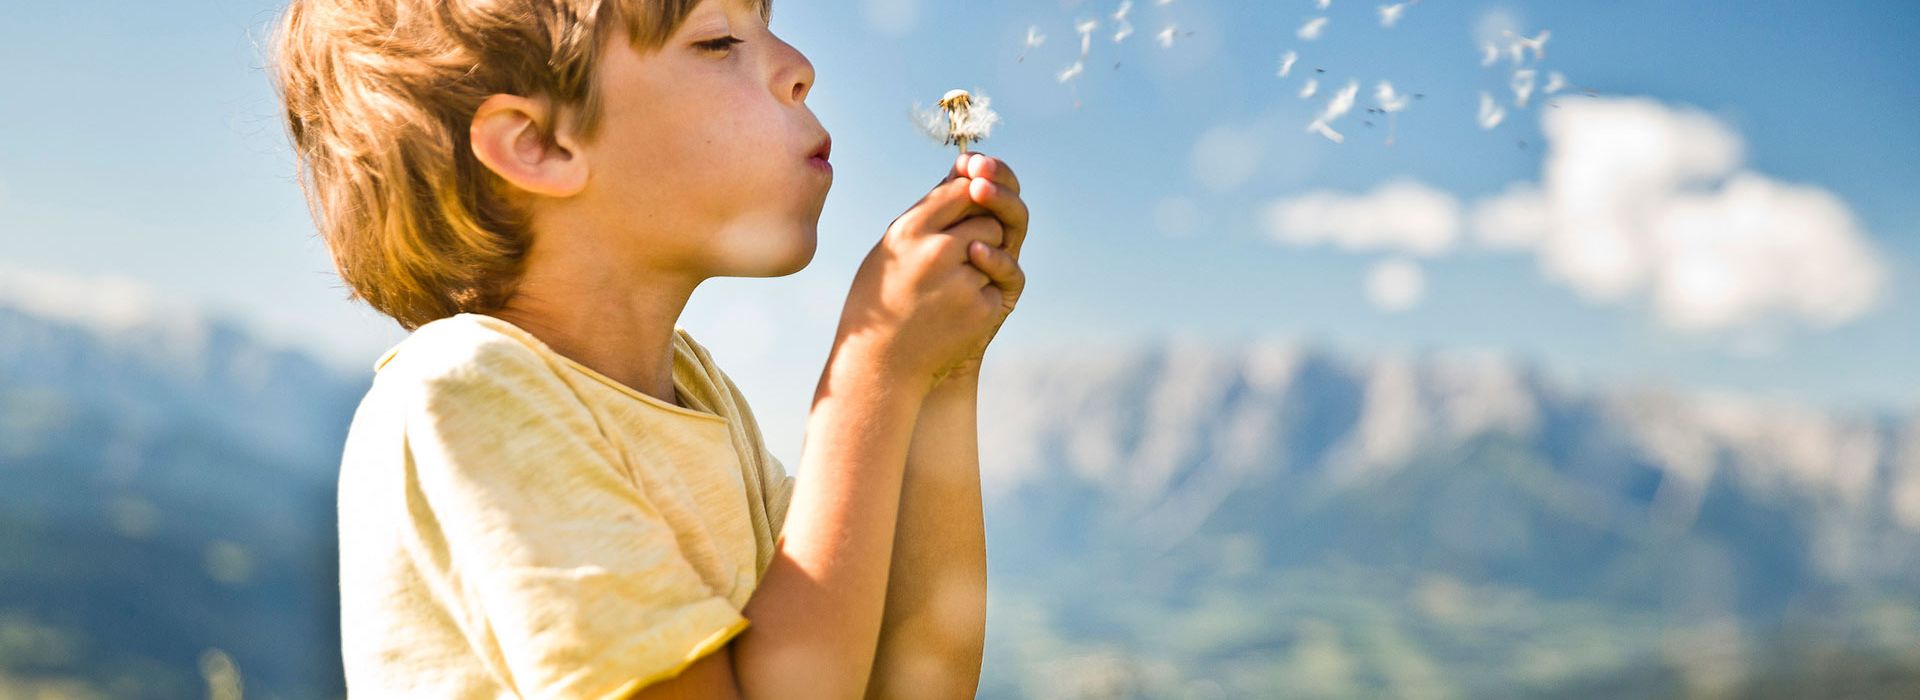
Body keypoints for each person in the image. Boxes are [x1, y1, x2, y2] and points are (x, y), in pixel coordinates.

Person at [266, 0, 1030, 696]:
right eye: (719, 40)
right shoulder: (465, 397)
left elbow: (914, 680)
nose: (800, 67)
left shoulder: (694, 394)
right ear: (540, 144)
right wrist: (874, 368)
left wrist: (941, 373)